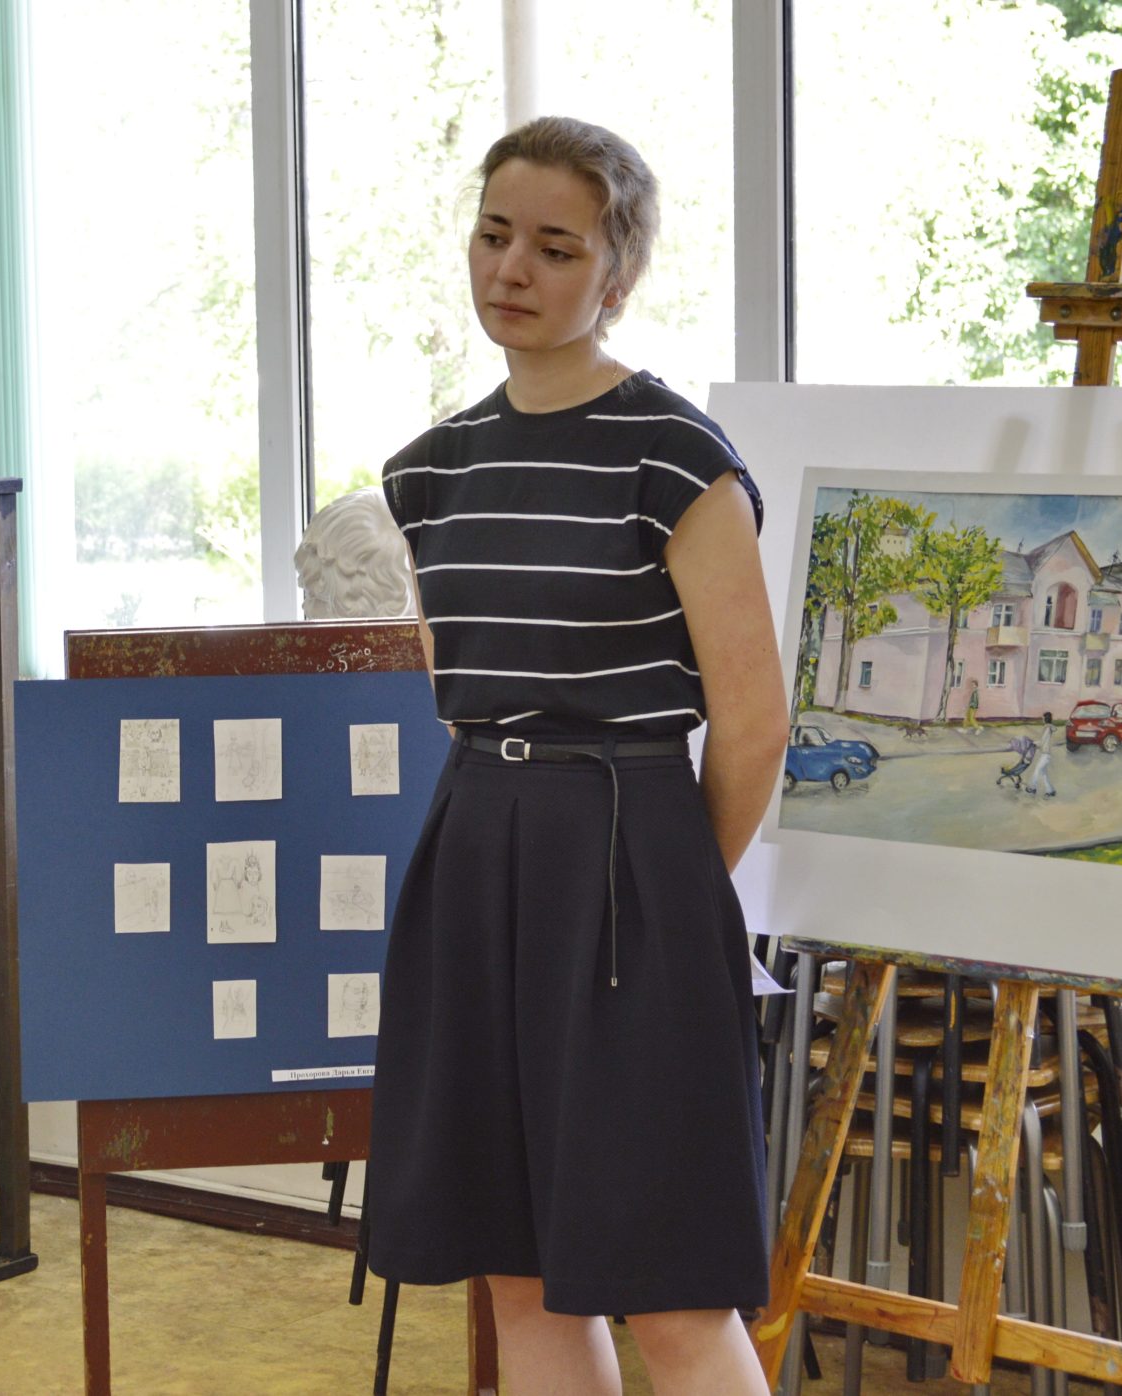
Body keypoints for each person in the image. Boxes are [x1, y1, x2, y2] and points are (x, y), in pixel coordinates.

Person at [366, 116, 788, 1394]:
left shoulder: (676, 459)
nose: (513, 268)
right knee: (518, 1268)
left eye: (555, 247)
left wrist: (669, 892)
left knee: (668, 1285)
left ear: (617, 275)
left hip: (630, 860)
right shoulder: (428, 474)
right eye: (495, 235)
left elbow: (754, 721)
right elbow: (463, 693)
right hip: (476, 851)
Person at [1025, 711, 1058, 798]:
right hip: (1046, 754)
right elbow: (1044, 741)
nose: (1042, 719)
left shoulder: (1047, 728)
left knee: (1037, 770)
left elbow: (1043, 741)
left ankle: (1033, 788)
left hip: (1045, 754)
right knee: (1043, 774)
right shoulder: (1049, 728)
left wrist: (1034, 743)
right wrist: (1035, 743)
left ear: (1046, 719)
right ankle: (1050, 790)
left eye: (1043, 718)